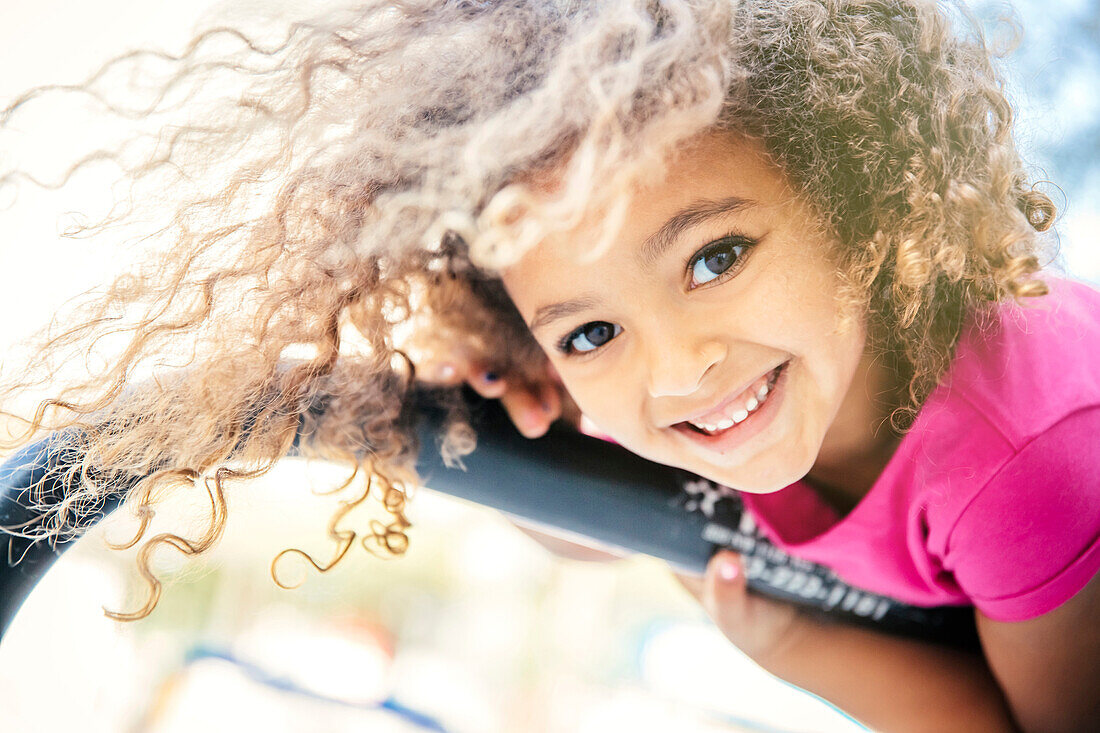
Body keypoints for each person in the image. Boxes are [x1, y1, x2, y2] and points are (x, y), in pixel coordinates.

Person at [1, 1, 1097, 729]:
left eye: (713, 256)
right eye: (585, 333)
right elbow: (588, 538)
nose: (674, 368)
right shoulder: (739, 385)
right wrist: (537, 424)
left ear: (855, 207)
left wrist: (789, 647)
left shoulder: (1023, 456)